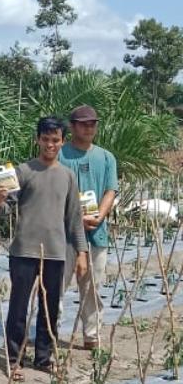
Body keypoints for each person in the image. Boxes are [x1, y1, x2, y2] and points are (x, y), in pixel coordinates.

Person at [0, 117, 88, 379]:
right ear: (38, 139)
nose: (50, 144)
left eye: (55, 140)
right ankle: (14, 359)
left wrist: (81, 253)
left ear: (62, 141)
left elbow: (74, 219)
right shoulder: (24, 171)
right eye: (46, 139)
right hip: (24, 250)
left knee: (49, 307)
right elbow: (5, 209)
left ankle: (44, 358)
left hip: (56, 253)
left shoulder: (68, 176)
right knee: (18, 307)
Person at [59, 105, 119, 350]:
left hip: (96, 233)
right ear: (72, 126)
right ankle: (50, 333)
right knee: (56, 286)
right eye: (83, 123)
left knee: (92, 287)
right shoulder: (60, 155)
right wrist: (74, 218)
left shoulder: (106, 157)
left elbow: (110, 190)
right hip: (63, 235)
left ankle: (92, 336)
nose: (89, 127)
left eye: (93, 123)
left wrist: (100, 216)